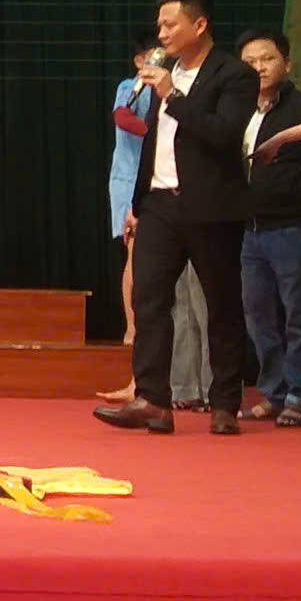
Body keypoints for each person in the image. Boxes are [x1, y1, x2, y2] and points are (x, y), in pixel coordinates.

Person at [94, 0, 257, 435]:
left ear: (199, 25)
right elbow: (150, 140)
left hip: (211, 205)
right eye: (160, 25)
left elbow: (224, 134)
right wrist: (137, 202)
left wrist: (174, 97)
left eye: (170, 24)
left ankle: (225, 402)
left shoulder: (234, 75)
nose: (161, 33)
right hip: (159, 203)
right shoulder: (161, 72)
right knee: (148, 298)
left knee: (221, 304)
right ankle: (152, 399)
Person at [97, 38, 216, 406]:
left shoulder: (184, 84)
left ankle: (195, 385)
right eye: (152, 54)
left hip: (181, 188)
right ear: (139, 60)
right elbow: (123, 118)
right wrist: (160, 127)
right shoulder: (131, 87)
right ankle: (134, 342)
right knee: (141, 265)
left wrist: (175, 120)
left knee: (192, 292)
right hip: (136, 183)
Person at [223, 28, 301, 427]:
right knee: (259, 316)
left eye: (267, 59)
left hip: (296, 226)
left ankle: (300, 394)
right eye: (250, 62)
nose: (259, 68)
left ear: (287, 63)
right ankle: (274, 392)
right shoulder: (236, 112)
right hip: (247, 230)